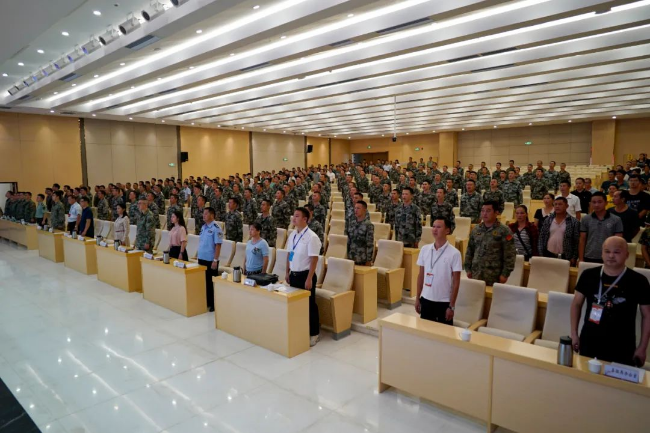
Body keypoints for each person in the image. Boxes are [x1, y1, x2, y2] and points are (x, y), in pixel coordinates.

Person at [570, 237, 650, 366]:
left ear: (627, 255)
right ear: (602, 253)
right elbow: (576, 304)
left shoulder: (639, 281)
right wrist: (574, 334)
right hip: (589, 341)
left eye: (617, 252)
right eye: (607, 251)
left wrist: (642, 347)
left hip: (623, 345)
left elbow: (647, 315)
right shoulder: (588, 275)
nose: (611, 256)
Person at [285, 208, 322, 346]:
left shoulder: (312, 237)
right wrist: (287, 271)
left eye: (297, 216)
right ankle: (300, 329)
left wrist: (309, 278)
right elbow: (290, 254)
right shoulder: (293, 234)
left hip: (306, 275)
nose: (293, 218)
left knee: (310, 305)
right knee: (296, 304)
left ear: (305, 219)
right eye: (293, 216)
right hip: (294, 275)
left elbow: (314, 259)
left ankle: (314, 333)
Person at [415, 217, 462, 324]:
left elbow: (456, 282)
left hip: (443, 302)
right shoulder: (425, 249)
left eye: (439, 227)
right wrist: (418, 298)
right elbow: (421, 276)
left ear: (447, 230)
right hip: (426, 298)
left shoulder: (454, 253)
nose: (435, 230)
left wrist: (452, 306)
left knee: (443, 332)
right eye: (433, 226)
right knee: (425, 330)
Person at [464, 201, 516, 286]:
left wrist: (505, 274)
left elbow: (510, 254)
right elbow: (470, 250)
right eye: (482, 210)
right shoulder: (476, 229)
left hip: (494, 275)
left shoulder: (504, 231)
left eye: (488, 211)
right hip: (476, 273)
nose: (484, 213)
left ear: (496, 213)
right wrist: (468, 268)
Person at [579, 192, 624, 264]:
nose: (596, 205)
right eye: (594, 202)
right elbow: (582, 239)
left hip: (609, 257)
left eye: (599, 202)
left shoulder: (616, 219)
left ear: (606, 203)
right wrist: (581, 258)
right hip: (589, 255)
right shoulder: (586, 219)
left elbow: (618, 241)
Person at [538, 196, 580, 265]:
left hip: (566, 256)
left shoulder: (574, 222)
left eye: (560, 204)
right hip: (548, 254)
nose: (557, 206)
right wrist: (541, 253)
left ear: (566, 206)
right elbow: (541, 237)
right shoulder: (548, 220)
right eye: (555, 204)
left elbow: (576, 241)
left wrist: (574, 257)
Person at [197, 207, 223, 312]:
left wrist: (215, 260)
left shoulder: (216, 228)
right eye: (203, 214)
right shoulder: (203, 227)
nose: (204, 216)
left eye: (206, 214)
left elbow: (218, 245)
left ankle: (213, 304)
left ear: (212, 215)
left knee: (211, 283)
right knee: (204, 282)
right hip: (201, 258)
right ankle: (207, 301)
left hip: (210, 260)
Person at [347, 200, 374, 266]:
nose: (356, 210)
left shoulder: (368, 225)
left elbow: (369, 244)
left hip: (362, 259)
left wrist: (368, 260)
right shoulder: (352, 223)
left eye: (358, 208)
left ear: (364, 210)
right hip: (351, 257)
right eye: (355, 208)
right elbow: (349, 241)